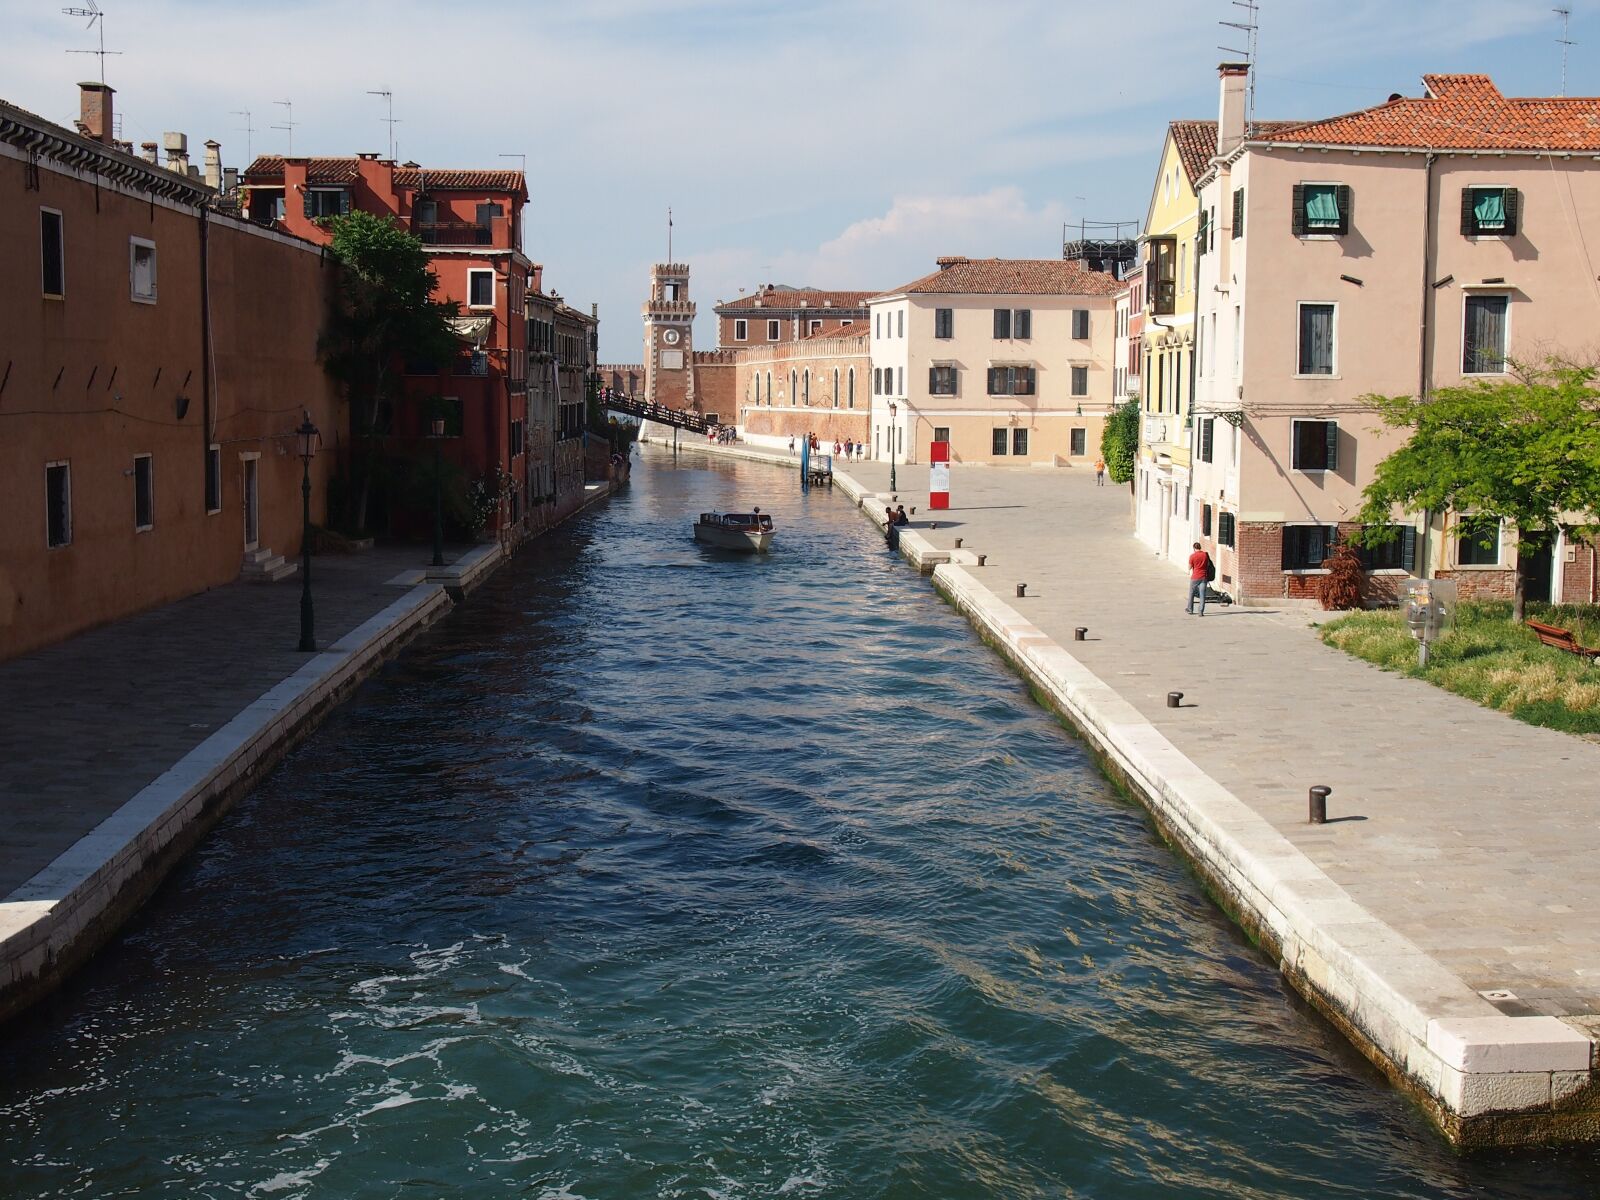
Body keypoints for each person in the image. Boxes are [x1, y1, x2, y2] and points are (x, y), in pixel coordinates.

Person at [1186, 542, 1212, 616]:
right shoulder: (1205, 555)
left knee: (1191, 593)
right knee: (1202, 594)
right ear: (1200, 547)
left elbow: (1189, 567)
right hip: (1204, 577)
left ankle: (1190, 609)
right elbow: (1208, 565)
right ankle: (1201, 611)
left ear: (1194, 548)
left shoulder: (1192, 556)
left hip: (1195, 577)